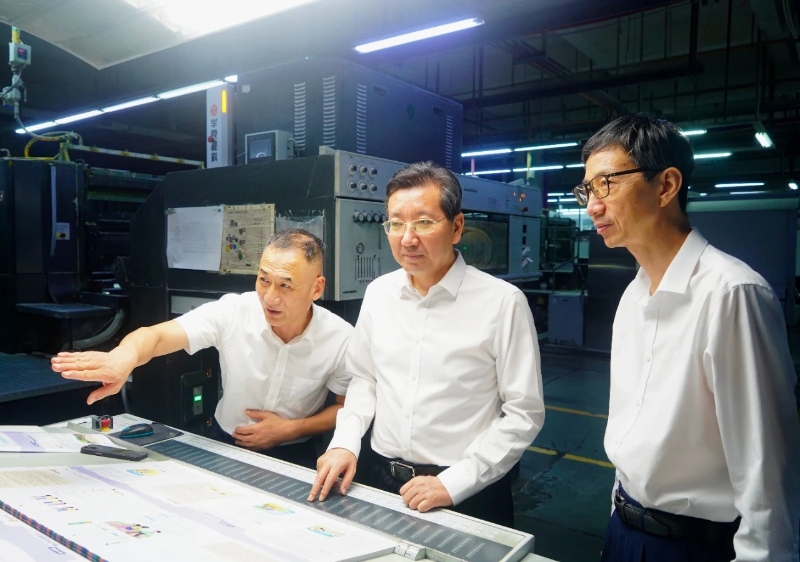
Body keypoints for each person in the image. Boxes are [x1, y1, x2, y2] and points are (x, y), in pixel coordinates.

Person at [574, 115, 800, 561]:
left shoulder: (731, 294)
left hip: (693, 546)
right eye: (587, 190)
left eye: (606, 185)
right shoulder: (633, 296)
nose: (592, 207)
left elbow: (766, 468)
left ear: (666, 186)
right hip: (624, 531)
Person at [307, 161, 544, 527]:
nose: (407, 238)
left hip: (467, 492)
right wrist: (344, 442)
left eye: (423, 222)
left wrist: (455, 482)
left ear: (457, 227)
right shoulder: (379, 294)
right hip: (379, 477)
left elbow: (524, 412)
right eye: (396, 223)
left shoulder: (502, 303)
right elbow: (364, 380)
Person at [52, 229, 352, 470]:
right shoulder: (234, 311)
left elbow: (347, 407)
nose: (270, 298)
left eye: (286, 286)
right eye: (264, 280)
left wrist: (291, 429)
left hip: (295, 454)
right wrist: (123, 358)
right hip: (224, 442)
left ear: (316, 288)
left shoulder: (339, 338)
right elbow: (157, 336)